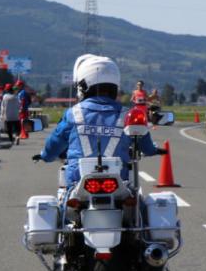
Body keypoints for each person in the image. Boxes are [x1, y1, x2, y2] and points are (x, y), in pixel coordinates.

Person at [33, 54, 161, 190]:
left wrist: (45, 156)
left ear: (82, 86)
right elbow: (145, 145)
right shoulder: (128, 115)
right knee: (135, 203)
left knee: (65, 203)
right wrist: (153, 150)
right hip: (119, 184)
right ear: (115, 86)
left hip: (78, 182)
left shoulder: (73, 114)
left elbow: (54, 143)